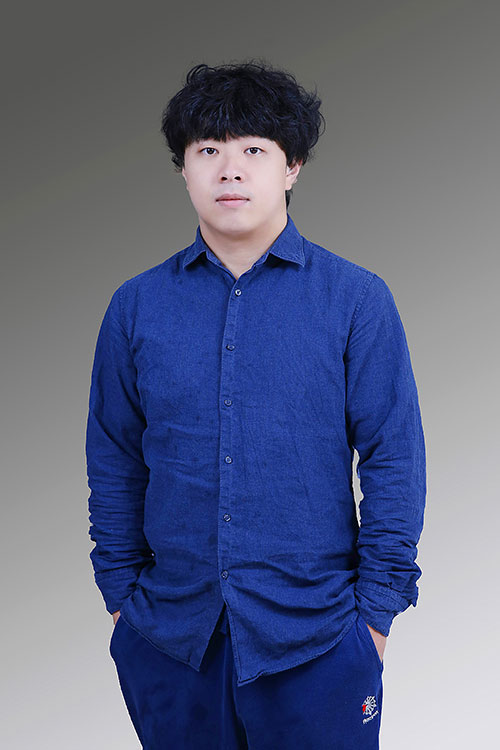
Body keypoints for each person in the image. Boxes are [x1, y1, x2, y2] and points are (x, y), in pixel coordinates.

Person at [85, 59, 426, 749]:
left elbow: (394, 458)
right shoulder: (136, 306)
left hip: (319, 641)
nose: (230, 171)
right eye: (208, 150)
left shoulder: (356, 300)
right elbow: (115, 460)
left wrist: (375, 618)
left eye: (253, 150)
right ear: (183, 169)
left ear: (292, 166)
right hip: (172, 642)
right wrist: (122, 602)